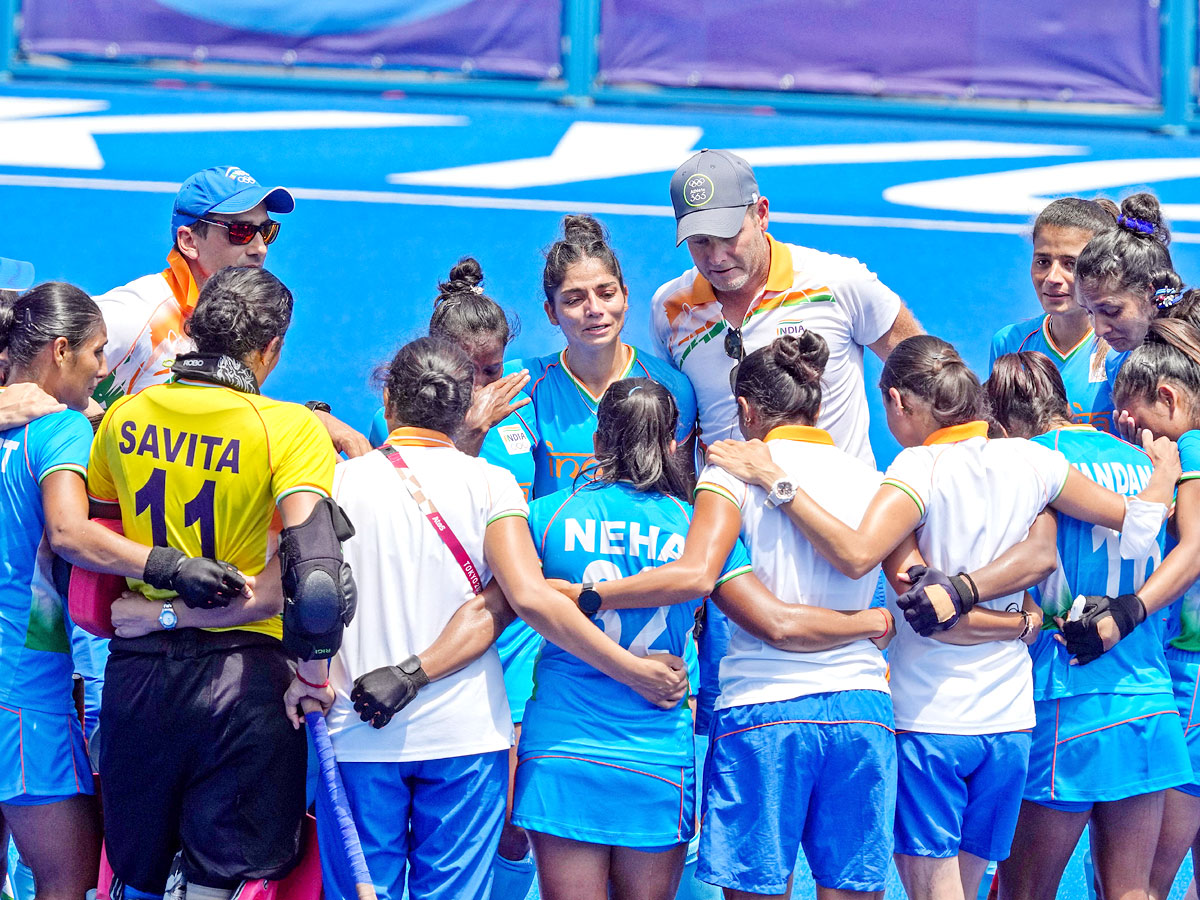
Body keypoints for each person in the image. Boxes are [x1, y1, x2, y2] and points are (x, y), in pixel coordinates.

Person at [703, 335, 1178, 900]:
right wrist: (1164, 470)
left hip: (931, 718)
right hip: (1009, 722)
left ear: (901, 402)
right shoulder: (1037, 461)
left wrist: (776, 481)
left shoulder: (915, 467)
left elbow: (860, 555)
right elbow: (1141, 523)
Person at [312, 338, 690, 900]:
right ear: (467, 404)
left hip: (358, 727)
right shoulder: (496, 487)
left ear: (388, 400)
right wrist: (634, 669)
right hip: (470, 734)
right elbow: (524, 598)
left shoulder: (335, 484)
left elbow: (300, 595)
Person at [559, 333, 899, 900]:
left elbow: (699, 575)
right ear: (817, 402)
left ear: (746, 410)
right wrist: (867, 625)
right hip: (863, 709)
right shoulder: (876, 483)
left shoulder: (728, 476)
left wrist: (588, 595)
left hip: (763, 713)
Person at [86, 265, 349, 900]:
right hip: (245, 687)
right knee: (222, 881)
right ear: (272, 349)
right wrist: (314, 680)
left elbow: (96, 561)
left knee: (136, 873)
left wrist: (160, 612)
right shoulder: (289, 428)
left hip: (136, 679)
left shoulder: (126, 416)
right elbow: (316, 588)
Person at [0, 283, 243, 900]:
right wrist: (168, 564)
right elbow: (68, 531)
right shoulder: (59, 432)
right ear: (60, 352)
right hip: (24, 694)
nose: (105, 368)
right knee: (70, 878)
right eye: (97, 352)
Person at [510, 377, 750, 900]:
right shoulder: (698, 529)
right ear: (673, 441)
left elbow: (499, 606)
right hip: (655, 749)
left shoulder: (544, 516)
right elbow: (761, 620)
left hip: (562, 743)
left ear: (598, 440)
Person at [984, 351, 1189, 900]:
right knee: (1131, 892)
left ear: (1002, 422)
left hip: (1066, 695)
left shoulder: (1025, 462)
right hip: (1148, 694)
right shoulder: (1147, 463)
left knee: (1024, 893)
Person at [364, 259, 541, 897]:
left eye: (494, 370)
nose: (488, 386)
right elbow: (429, 486)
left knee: (513, 823)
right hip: (429, 652)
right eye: (473, 374)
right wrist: (471, 429)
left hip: (508, 649)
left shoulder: (525, 417)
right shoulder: (409, 430)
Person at [651, 148, 921, 467]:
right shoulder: (668, 309)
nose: (716, 257)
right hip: (729, 510)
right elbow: (680, 426)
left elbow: (924, 373)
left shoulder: (838, 282)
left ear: (761, 214)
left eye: (729, 235)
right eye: (700, 241)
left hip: (837, 511)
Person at [90, 164, 369, 455]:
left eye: (266, 231)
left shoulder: (232, 315)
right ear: (189, 241)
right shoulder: (135, 313)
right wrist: (97, 429)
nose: (259, 247)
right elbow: (46, 359)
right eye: (241, 231)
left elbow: (221, 408)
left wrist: (307, 419)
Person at [1105, 321, 1200, 900]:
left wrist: (1130, 610)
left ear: (1167, 397)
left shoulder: (1189, 446)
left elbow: (1194, 549)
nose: (1129, 433)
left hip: (1190, 674)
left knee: (1144, 880)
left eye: (1134, 420)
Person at [520, 214, 697, 497]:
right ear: (551, 312)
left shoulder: (672, 388)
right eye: (574, 299)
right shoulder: (524, 386)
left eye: (606, 294)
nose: (594, 309)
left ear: (625, 297)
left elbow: (683, 498)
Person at [988, 197, 1118, 430]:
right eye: (1043, 261)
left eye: (1070, 264)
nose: (1052, 278)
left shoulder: (1123, 350)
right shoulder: (1009, 342)